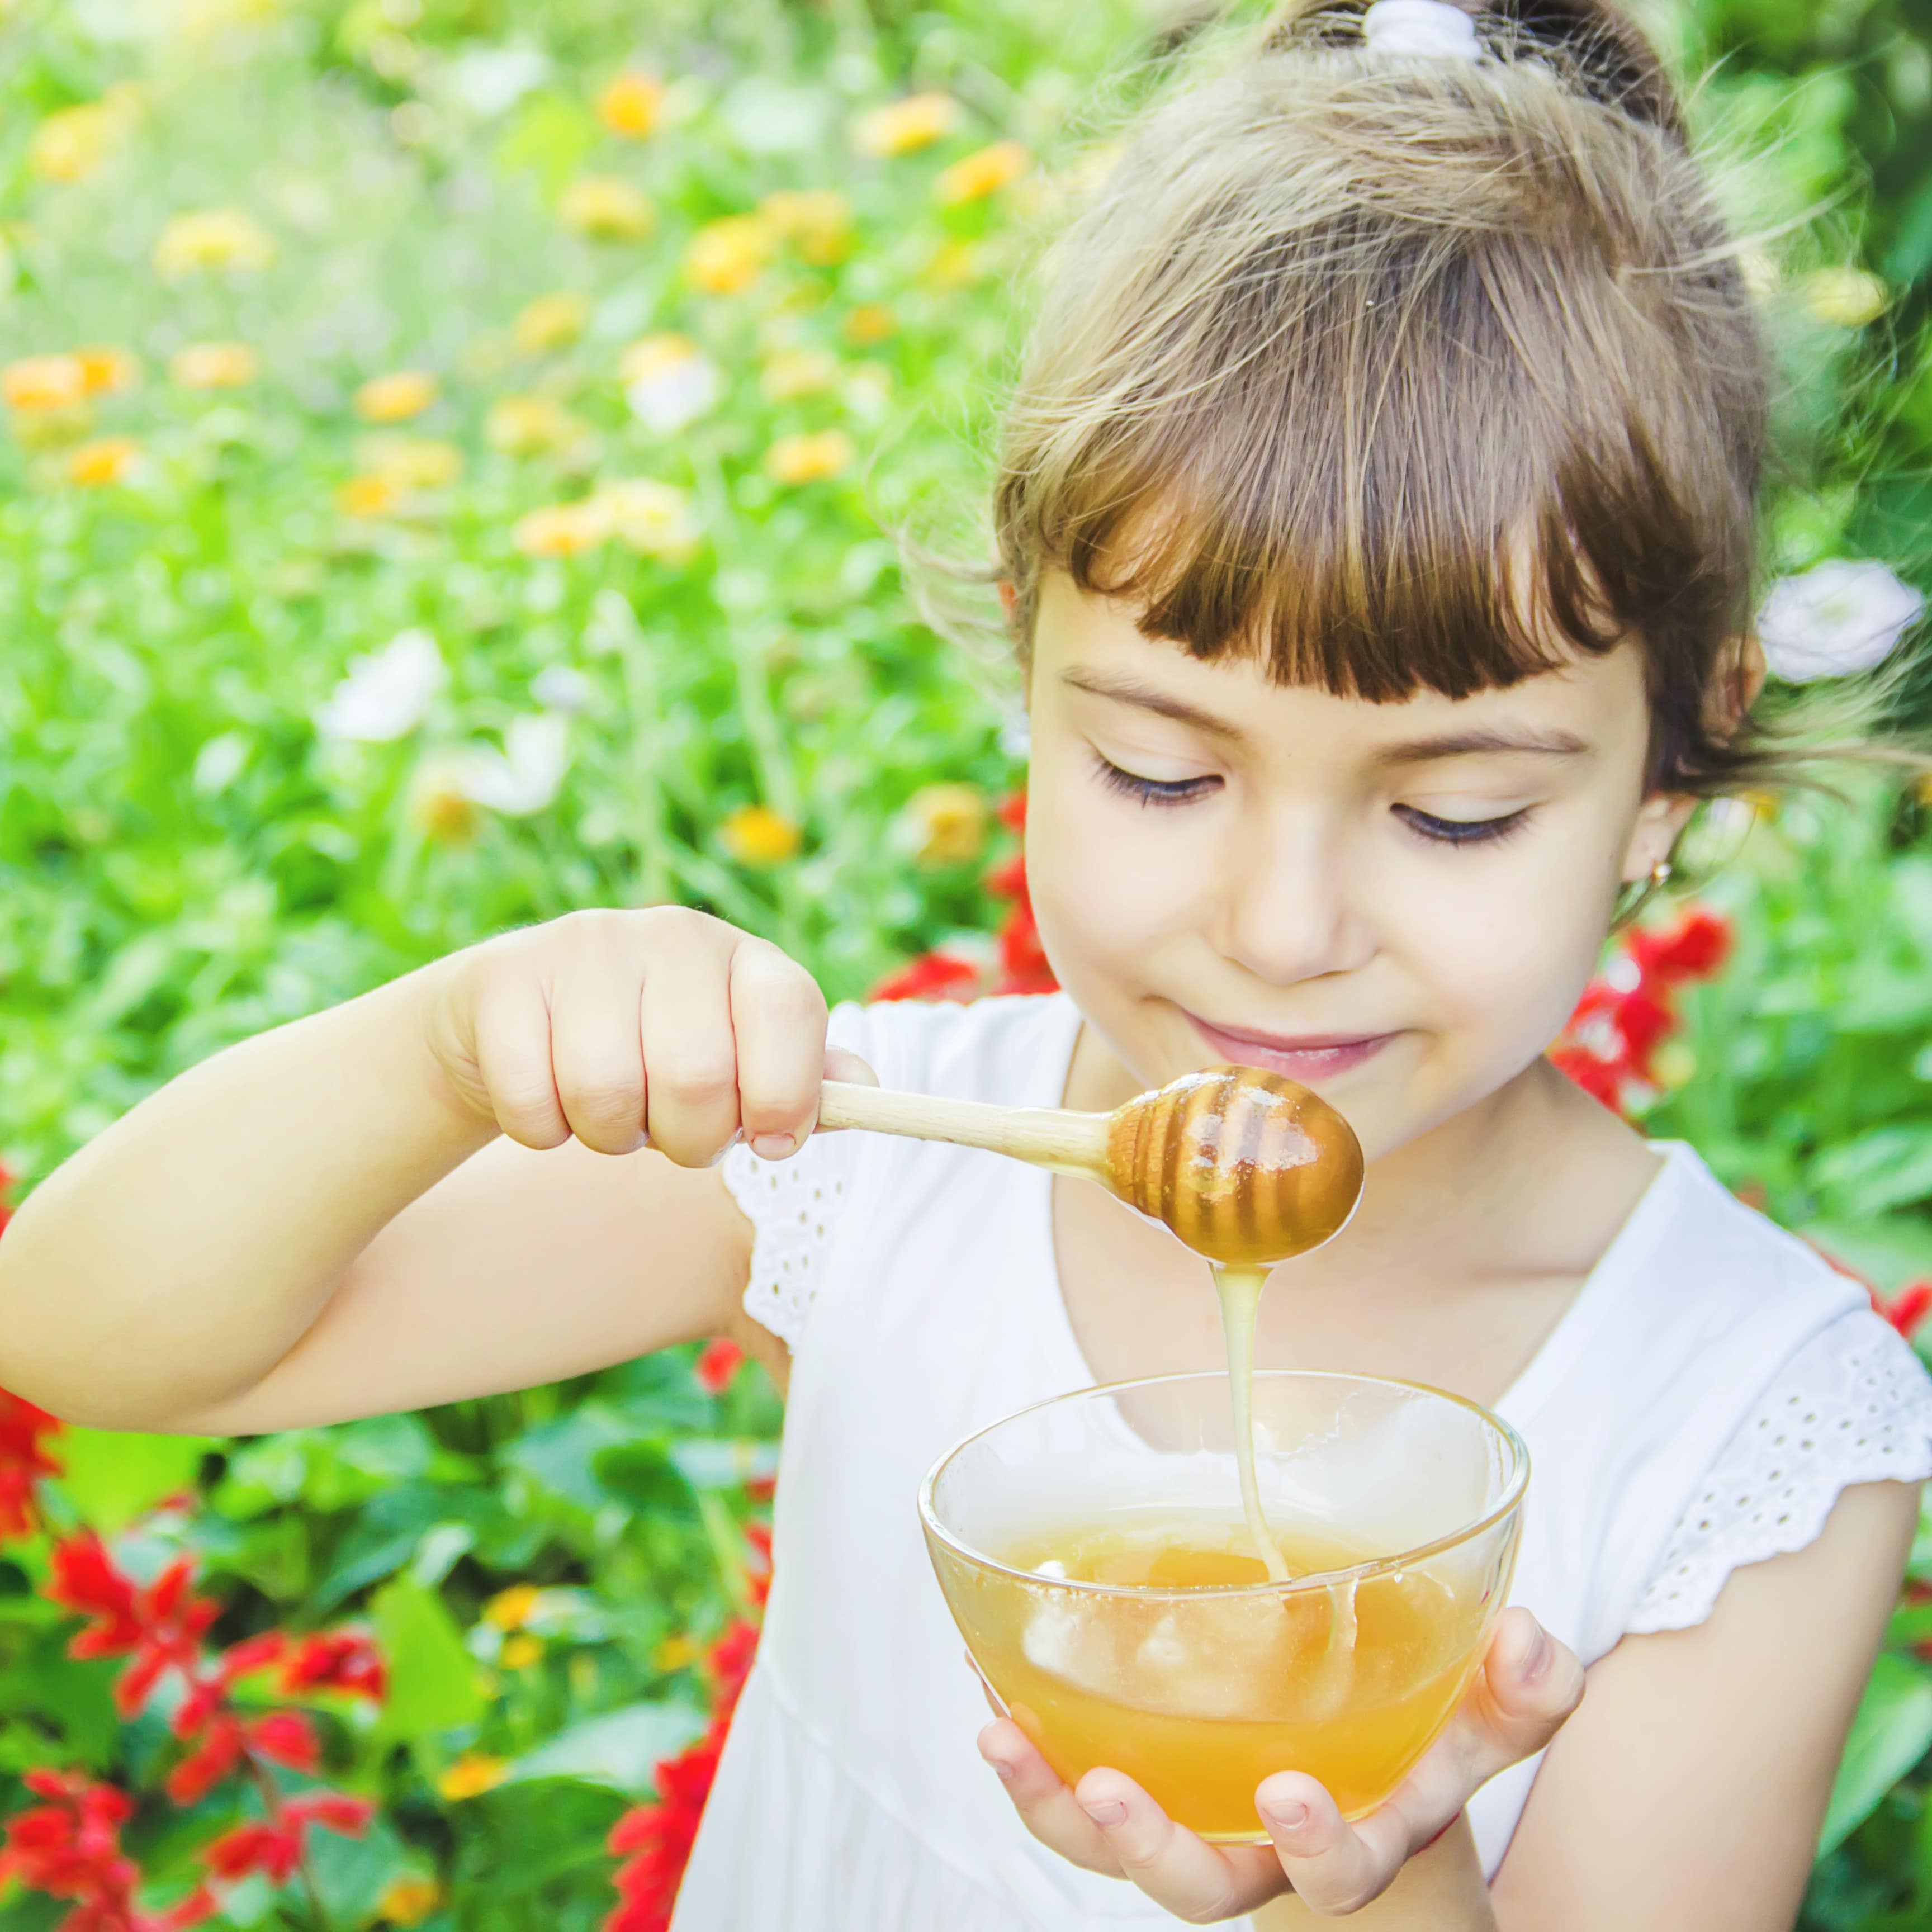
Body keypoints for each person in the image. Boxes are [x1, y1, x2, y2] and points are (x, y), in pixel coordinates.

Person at [3, 0, 1929, 1922]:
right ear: (1028, 657)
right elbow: (90, 1336)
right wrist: (438, 1047)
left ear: (1676, 759)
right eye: (1161, 769)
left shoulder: (1742, 1423)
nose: (1280, 927)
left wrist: (1365, 1880)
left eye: (1452, 816)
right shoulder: (882, 1157)